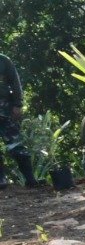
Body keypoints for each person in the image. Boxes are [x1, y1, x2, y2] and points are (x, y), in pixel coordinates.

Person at [0, 52, 39, 188]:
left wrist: (18, 104)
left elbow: (15, 83)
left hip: (5, 109)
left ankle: (30, 179)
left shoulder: (4, 60)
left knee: (16, 144)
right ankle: (1, 181)